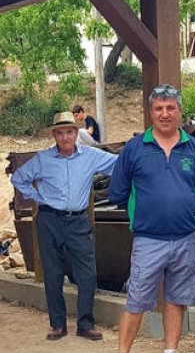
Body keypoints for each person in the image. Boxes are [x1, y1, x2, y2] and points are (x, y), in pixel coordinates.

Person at [107, 84, 195, 353]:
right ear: (150, 112)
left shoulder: (194, 149)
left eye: (171, 108)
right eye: (158, 109)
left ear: (180, 112)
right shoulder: (135, 149)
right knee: (137, 299)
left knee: (177, 299)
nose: (165, 114)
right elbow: (118, 190)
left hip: (185, 238)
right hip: (148, 239)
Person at [11, 112, 117, 341]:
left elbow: (119, 166)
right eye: (61, 133)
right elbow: (19, 177)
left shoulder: (91, 156)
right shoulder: (43, 159)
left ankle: (86, 324)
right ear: (55, 135)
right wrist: (38, 198)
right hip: (50, 220)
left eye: (70, 132)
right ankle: (57, 324)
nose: (66, 137)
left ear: (76, 133)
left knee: (87, 273)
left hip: (78, 220)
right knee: (53, 272)